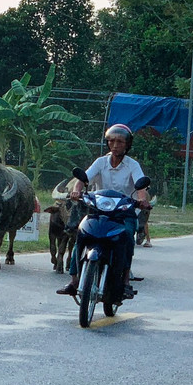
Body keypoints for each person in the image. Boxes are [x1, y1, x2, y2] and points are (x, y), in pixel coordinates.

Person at [56, 123, 151, 299]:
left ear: (127, 144)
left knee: (128, 238)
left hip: (123, 212)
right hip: (99, 210)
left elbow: (141, 186)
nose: (115, 145)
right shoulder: (100, 162)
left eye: (120, 142)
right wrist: (77, 190)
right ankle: (74, 280)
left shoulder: (133, 165)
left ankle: (125, 280)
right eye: (111, 141)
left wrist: (142, 200)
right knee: (81, 235)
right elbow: (83, 178)